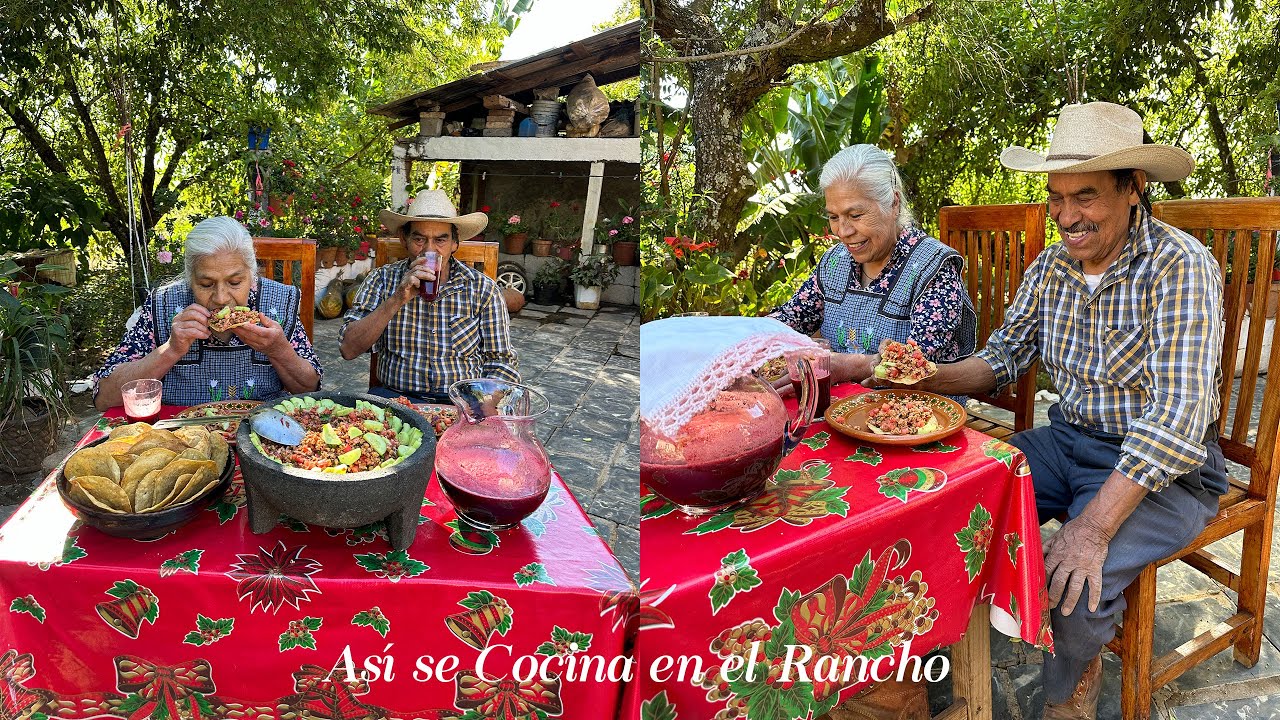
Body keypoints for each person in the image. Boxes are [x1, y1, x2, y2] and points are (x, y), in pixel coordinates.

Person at [862, 102, 1227, 720]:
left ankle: (1068, 690)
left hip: (1168, 470)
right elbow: (1001, 359)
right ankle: (913, 675)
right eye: (1056, 197)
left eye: (1084, 196)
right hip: (1068, 441)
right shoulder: (1056, 264)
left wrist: (1092, 528)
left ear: (1132, 188)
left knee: (1075, 586)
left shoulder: (1179, 264)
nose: (1065, 216)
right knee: (942, 497)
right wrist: (918, 378)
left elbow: (1178, 419)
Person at [770, 144, 977, 390]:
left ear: (893, 204)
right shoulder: (834, 262)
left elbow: (916, 366)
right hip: (844, 406)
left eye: (855, 215)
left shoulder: (933, 267)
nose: (843, 232)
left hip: (918, 415)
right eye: (834, 217)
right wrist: (744, 337)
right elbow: (793, 317)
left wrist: (849, 366)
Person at [93, 216, 322, 409]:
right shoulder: (162, 304)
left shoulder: (278, 303)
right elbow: (104, 396)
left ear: (252, 275)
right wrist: (171, 350)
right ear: (189, 280)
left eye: (235, 282)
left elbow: (310, 388)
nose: (221, 298)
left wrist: (278, 350)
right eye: (205, 284)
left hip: (259, 433)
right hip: (180, 437)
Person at [339, 190, 518, 403]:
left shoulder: (482, 289)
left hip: (462, 404)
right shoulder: (382, 280)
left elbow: (503, 363)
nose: (429, 250)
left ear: (455, 244)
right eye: (419, 239)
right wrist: (397, 298)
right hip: (396, 400)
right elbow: (348, 349)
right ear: (404, 240)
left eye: (441, 240)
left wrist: (481, 406)